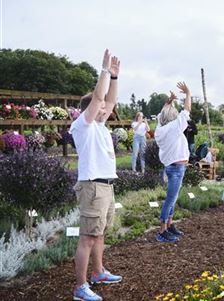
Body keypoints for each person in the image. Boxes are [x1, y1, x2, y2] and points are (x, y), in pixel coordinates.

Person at [70, 50, 122, 301]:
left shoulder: (99, 125)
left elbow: (109, 100)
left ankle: (98, 272)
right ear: (90, 108)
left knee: (99, 234)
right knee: (88, 237)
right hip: (92, 187)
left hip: (105, 186)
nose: (106, 108)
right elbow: (100, 98)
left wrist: (114, 78)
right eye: (100, 106)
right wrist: (103, 71)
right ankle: (80, 288)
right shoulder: (83, 125)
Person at [154, 82, 192, 243]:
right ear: (172, 118)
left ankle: (169, 225)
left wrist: (169, 101)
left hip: (174, 167)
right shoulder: (174, 128)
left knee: (173, 199)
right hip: (176, 169)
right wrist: (188, 93)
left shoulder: (159, 128)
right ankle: (162, 231)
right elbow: (186, 110)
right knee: (170, 200)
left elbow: (162, 113)